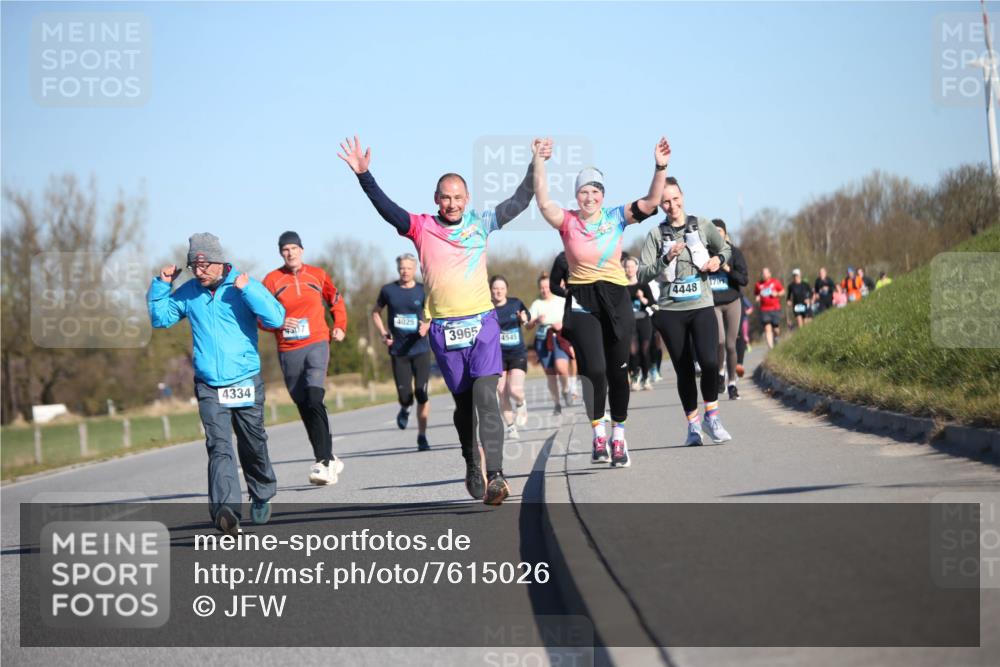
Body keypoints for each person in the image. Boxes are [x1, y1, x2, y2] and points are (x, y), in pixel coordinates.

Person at [338, 135, 540, 505]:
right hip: (445, 331)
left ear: (467, 200)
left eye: (458, 197)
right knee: (464, 406)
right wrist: (365, 176)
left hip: (481, 324)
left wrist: (535, 164)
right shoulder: (421, 227)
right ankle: (471, 461)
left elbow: (519, 200)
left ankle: (495, 474)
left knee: (486, 395)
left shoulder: (482, 223)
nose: (451, 203)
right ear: (436, 200)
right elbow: (388, 210)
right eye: (445, 197)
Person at [534, 136, 672, 467]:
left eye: (596, 191)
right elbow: (542, 202)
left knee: (617, 369)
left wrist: (660, 166)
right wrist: (539, 160)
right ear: (577, 195)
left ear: (603, 195)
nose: (590, 196)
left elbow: (653, 201)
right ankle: (598, 433)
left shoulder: (616, 216)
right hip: (582, 299)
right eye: (584, 191)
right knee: (593, 369)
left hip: (615, 297)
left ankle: (619, 436)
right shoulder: (567, 221)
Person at [148, 233, 285, 535]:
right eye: (193, 266)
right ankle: (227, 510)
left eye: (204, 265)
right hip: (210, 385)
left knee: (252, 443)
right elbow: (160, 319)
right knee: (219, 447)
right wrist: (161, 286)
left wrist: (249, 291)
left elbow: (276, 319)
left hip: (245, 378)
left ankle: (261, 492)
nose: (199, 272)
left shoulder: (242, 285)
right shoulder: (189, 292)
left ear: (219, 261)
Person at [635, 177, 733, 446]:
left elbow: (726, 248)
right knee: (685, 370)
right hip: (670, 312)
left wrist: (718, 260)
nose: (672, 205)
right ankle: (693, 426)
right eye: (666, 201)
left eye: (675, 199)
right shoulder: (656, 235)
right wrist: (666, 258)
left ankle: (712, 418)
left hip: (701, 305)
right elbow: (642, 273)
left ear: (683, 197)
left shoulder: (701, 225)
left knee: (710, 363)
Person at [263, 232, 348, 486]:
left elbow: (336, 300)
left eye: (294, 248)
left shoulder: (318, 274)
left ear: (301, 250)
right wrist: (277, 322)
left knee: (314, 396)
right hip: (288, 348)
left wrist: (340, 324)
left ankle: (323, 461)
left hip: (317, 341)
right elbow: (259, 315)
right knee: (304, 404)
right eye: (285, 249)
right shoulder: (272, 280)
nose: (290, 253)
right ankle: (328, 457)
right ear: (281, 253)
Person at [372, 253, 432, 451]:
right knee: (405, 395)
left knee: (422, 392)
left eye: (408, 268)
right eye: (401, 268)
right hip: (399, 351)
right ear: (398, 269)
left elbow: (435, 314)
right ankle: (405, 407)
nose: (405, 271)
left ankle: (422, 436)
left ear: (415, 269)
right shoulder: (389, 290)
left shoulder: (423, 291)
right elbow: (375, 312)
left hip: (421, 349)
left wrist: (427, 326)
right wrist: (383, 333)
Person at [709, 219, 748, 400]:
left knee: (732, 345)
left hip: (732, 301)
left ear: (725, 233)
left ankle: (732, 384)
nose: (717, 234)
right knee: (720, 341)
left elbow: (743, 279)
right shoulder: (705, 253)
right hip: (714, 303)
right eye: (713, 231)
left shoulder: (734, 252)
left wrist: (727, 268)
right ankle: (720, 372)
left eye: (720, 230)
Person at [490, 275, 530, 438]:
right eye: (495, 288)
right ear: (490, 290)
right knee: (501, 390)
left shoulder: (515, 303)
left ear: (506, 290)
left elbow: (526, 319)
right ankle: (511, 426)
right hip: (497, 355)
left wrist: (524, 319)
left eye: (501, 288)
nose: (498, 291)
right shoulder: (487, 308)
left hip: (517, 353)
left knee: (515, 390)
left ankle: (521, 403)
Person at [526, 272, 571, 415]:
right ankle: (557, 404)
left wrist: (562, 324)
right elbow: (527, 325)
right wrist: (535, 320)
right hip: (543, 339)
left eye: (547, 287)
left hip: (559, 337)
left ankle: (565, 389)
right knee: (550, 374)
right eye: (542, 288)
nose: (544, 290)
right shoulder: (536, 304)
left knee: (561, 367)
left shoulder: (561, 300)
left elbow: (572, 317)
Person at [548, 251, 580, 401]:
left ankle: (575, 385)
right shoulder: (562, 259)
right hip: (563, 329)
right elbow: (553, 286)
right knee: (570, 359)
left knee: (578, 357)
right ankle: (570, 386)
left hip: (591, 312)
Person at [624, 256, 654, 391]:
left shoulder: (643, 284)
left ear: (636, 268)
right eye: (627, 266)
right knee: (633, 351)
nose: (629, 269)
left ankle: (646, 377)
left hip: (644, 321)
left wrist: (642, 298)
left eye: (632, 266)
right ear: (624, 269)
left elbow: (653, 302)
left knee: (644, 350)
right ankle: (635, 376)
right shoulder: (622, 287)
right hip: (629, 323)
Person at [754, 267, 784, 349]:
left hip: (775, 308)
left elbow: (783, 291)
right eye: (762, 273)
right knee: (767, 329)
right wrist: (757, 297)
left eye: (765, 273)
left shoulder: (775, 282)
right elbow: (756, 294)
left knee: (776, 329)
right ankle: (771, 348)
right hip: (764, 309)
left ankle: (776, 337)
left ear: (769, 274)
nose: (764, 275)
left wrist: (777, 294)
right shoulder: (758, 284)